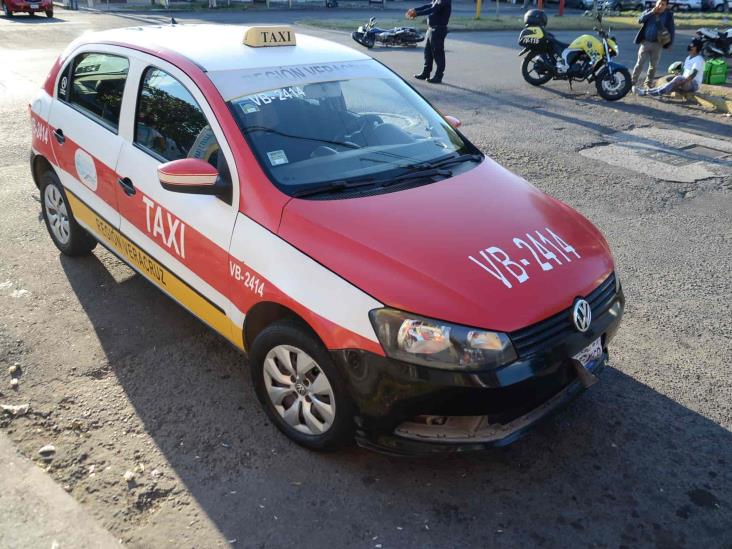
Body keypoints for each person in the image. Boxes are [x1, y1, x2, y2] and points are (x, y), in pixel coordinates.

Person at [630, 0, 675, 92]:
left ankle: (648, 83)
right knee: (640, 63)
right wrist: (651, 12)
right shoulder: (649, 11)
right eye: (659, 3)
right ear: (656, 3)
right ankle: (632, 82)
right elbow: (640, 20)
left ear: (666, 6)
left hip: (657, 44)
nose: (660, 6)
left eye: (663, 4)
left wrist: (670, 43)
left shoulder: (668, 15)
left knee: (653, 65)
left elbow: (671, 29)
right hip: (645, 42)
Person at [637, 38, 704, 97]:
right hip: (686, 82)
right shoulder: (688, 57)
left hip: (693, 84)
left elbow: (693, 74)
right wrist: (679, 76)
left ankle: (648, 92)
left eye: (692, 45)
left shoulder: (698, 59)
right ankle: (645, 92)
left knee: (676, 79)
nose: (690, 46)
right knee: (669, 84)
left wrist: (682, 82)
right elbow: (685, 72)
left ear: (696, 48)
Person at [406, 0, 452, 84]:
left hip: (438, 29)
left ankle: (438, 76)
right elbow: (429, 5)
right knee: (428, 53)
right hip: (431, 29)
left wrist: (417, 14)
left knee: (438, 53)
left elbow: (433, 9)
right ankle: (426, 73)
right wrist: (415, 9)